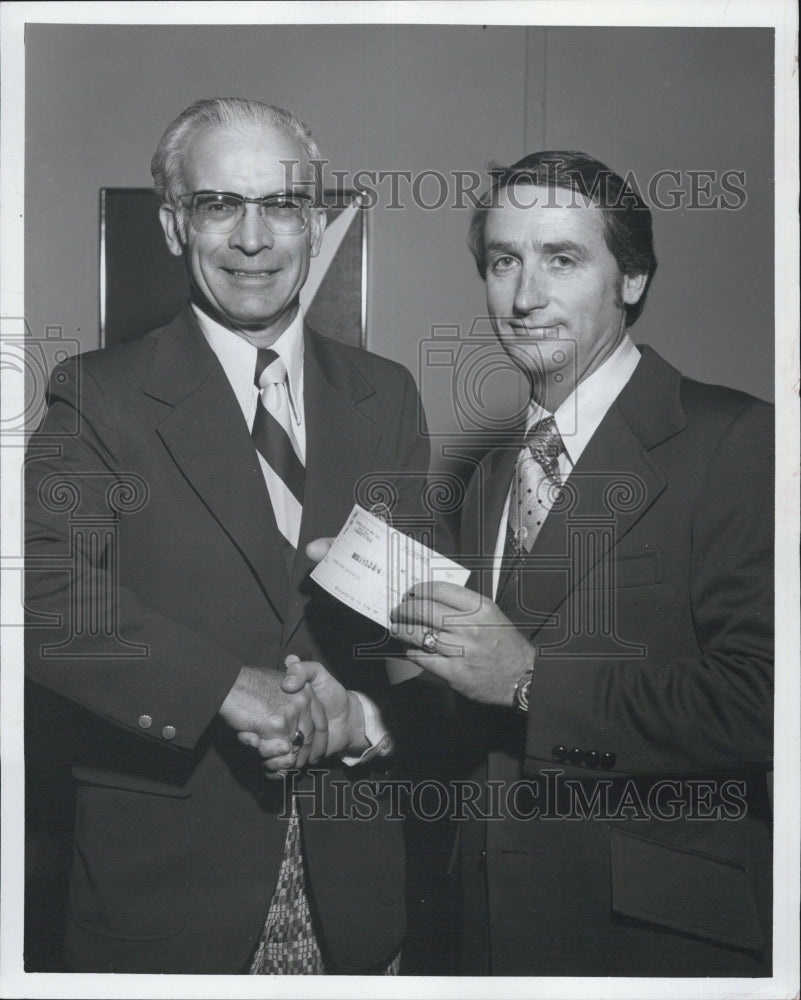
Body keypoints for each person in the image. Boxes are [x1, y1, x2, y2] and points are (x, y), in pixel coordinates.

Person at [24, 97, 433, 974]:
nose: (254, 238)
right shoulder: (97, 395)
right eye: (218, 205)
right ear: (175, 225)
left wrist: (358, 720)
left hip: (357, 899)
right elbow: (43, 597)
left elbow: (417, 626)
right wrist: (223, 688)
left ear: (316, 222)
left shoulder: (386, 394)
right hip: (164, 903)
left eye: (282, 204)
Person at [389, 152, 774, 976]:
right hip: (489, 925)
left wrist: (532, 680)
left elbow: (767, 700)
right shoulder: (491, 473)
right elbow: (480, 702)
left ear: (630, 278)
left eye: (561, 259)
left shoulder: (738, 440)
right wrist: (363, 717)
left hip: (652, 939)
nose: (524, 296)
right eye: (503, 262)